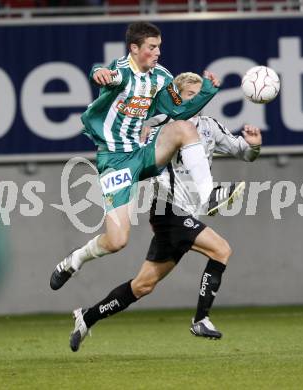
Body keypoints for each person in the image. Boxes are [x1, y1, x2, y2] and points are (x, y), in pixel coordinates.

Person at [67, 72, 262, 351]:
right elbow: (142, 154)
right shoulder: (162, 126)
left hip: (186, 214)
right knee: (221, 250)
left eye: (200, 95)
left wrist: (253, 145)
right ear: (178, 98)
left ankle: (87, 317)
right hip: (167, 209)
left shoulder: (209, 127)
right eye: (191, 96)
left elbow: (243, 152)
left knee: (142, 286)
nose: (197, 101)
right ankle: (201, 319)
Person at [50, 22, 220, 290]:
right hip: (116, 161)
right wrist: (98, 73)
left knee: (184, 129)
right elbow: (106, 74)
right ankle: (74, 260)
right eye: (152, 48)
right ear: (134, 48)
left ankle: (208, 193)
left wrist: (208, 91)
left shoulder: (162, 77)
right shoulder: (121, 73)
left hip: (142, 153)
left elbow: (176, 111)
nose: (157, 52)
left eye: (159, 47)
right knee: (117, 241)